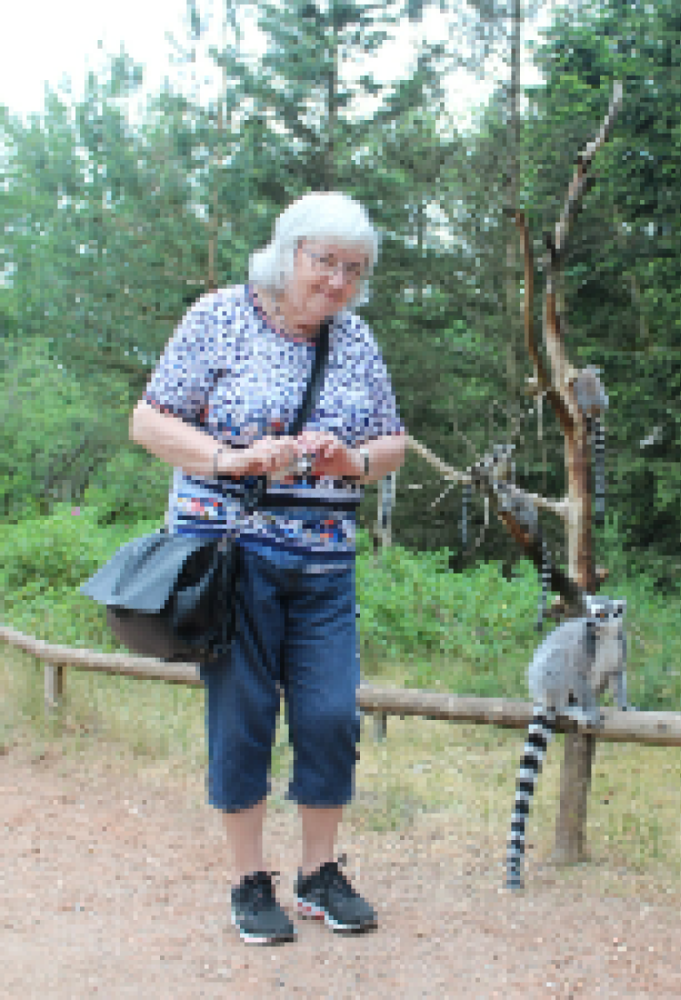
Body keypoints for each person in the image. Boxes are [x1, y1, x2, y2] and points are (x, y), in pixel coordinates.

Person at [129, 191, 406, 945]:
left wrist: (353, 461)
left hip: (324, 567)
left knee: (328, 717)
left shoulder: (355, 341)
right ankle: (250, 883)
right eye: (326, 263)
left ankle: (319, 874)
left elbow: (393, 443)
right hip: (236, 557)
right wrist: (229, 458)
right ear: (287, 254)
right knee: (244, 719)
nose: (339, 282)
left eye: (355, 269)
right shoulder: (219, 317)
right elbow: (149, 420)